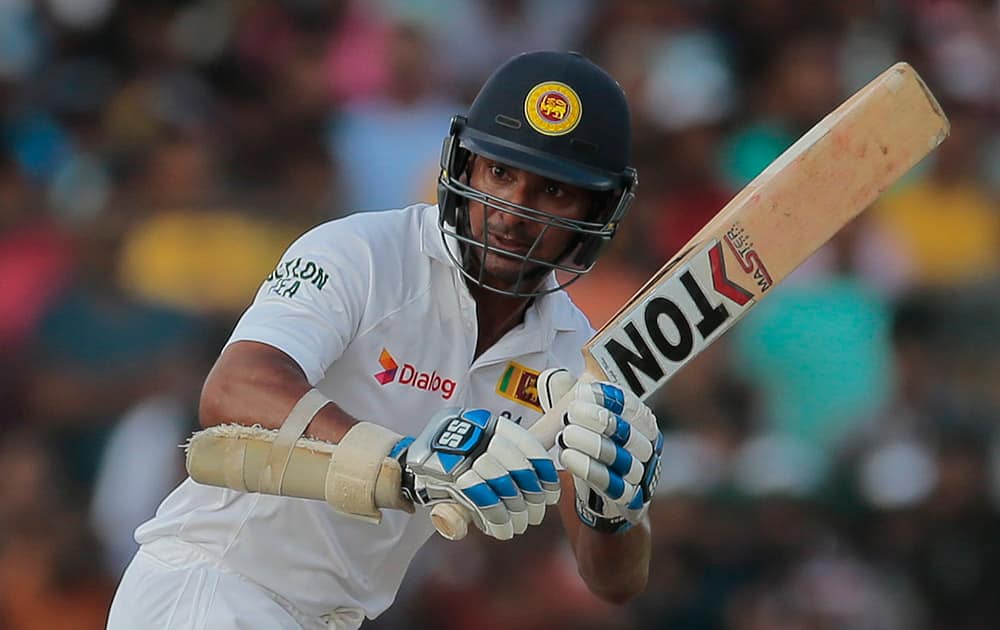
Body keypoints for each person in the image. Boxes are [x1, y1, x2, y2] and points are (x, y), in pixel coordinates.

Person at [107, 51, 663, 630]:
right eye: (500, 173)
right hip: (213, 585)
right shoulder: (364, 254)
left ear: (597, 211)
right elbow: (232, 389)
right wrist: (405, 459)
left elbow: (612, 581)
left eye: (553, 191)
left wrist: (615, 510)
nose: (513, 212)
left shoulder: (568, 349)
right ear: (464, 168)